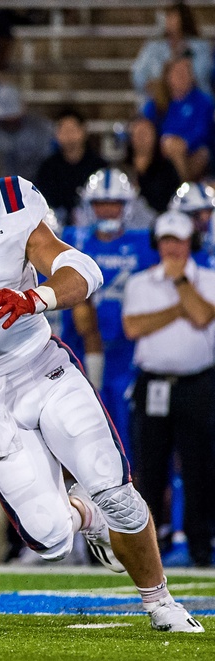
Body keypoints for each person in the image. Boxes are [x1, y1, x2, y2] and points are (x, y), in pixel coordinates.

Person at [0, 120, 202, 632]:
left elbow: (80, 268)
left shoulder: (11, 203)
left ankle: (160, 603)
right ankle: (86, 514)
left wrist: (34, 297)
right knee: (47, 539)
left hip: (43, 366)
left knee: (120, 494)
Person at [122, 210, 215, 568]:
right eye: (166, 240)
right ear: (157, 243)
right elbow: (133, 327)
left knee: (199, 466)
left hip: (198, 383)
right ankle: (149, 546)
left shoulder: (207, 278)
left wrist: (179, 287)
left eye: (178, 240)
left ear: (191, 242)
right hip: (153, 383)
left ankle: (200, 545)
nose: (173, 247)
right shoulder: (140, 283)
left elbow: (204, 316)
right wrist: (181, 308)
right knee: (150, 466)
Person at [60, 168, 157, 457]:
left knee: (130, 437)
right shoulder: (70, 239)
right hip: (77, 348)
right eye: (100, 203)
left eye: (114, 202)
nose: (107, 209)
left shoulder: (146, 242)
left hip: (131, 352)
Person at [142, 55, 215, 182]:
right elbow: (145, 126)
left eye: (186, 72)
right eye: (177, 72)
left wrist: (184, 143)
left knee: (197, 153)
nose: (182, 76)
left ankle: (183, 187)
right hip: (162, 153)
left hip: (196, 152)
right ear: (167, 77)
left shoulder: (204, 101)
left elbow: (204, 131)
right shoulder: (157, 103)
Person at [34, 109, 107, 226]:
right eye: (64, 130)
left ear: (83, 131)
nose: (69, 136)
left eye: (73, 130)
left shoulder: (99, 166)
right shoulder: (47, 168)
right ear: (57, 134)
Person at [0, 84, 53, 182]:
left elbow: (50, 164)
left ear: (23, 108)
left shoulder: (41, 128)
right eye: (4, 118)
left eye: (12, 116)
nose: (8, 120)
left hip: (34, 186)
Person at [131, 2, 211, 96]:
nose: (168, 21)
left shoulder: (199, 47)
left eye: (173, 17)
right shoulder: (153, 47)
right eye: (167, 17)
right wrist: (154, 84)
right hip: (161, 100)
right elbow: (138, 74)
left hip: (194, 99)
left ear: (183, 19)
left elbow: (202, 73)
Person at [122, 116, 181, 215]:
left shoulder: (167, 169)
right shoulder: (121, 169)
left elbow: (173, 200)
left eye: (146, 134)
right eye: (138, 133)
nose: (142, 138)